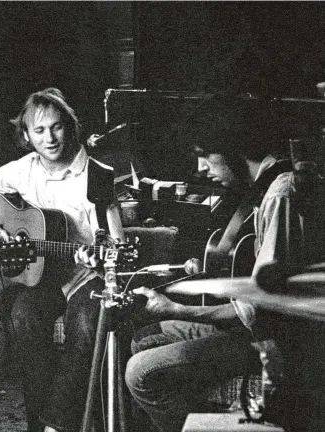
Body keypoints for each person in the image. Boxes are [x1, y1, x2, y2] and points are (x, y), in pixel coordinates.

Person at [123, 100, 325, 432]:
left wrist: (176, 308)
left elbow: (260, 308)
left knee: (140, 372)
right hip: (256, 329)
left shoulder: (279, 196)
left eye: (206, 155)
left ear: (233, 148)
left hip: (276, 342)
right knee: (145, 339)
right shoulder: (265, 185)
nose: (201, 168)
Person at [0, 87, 125, 432]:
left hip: (86, 276)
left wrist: (98, 256)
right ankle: (38, 422)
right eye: (39, 130)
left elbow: (116, 243)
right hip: (46, 276)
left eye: (56, 127)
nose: (49, 138)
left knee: (84, 321)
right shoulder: (24, 169)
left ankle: (57, 424)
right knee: (24, 317)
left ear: (69, 126)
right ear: (27, 135)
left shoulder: (96, 173)